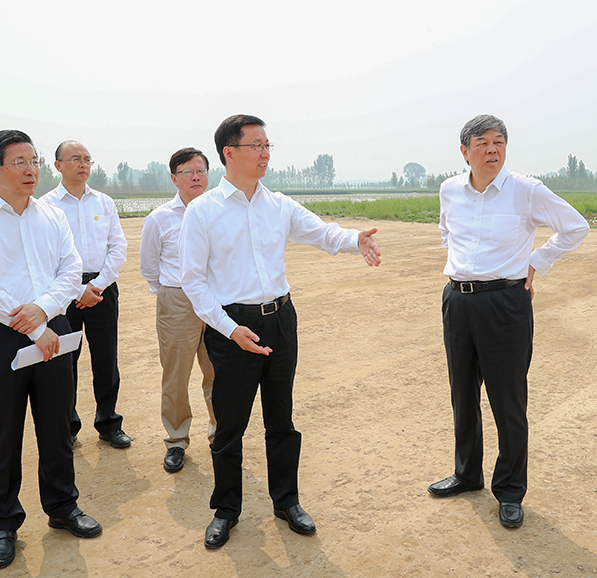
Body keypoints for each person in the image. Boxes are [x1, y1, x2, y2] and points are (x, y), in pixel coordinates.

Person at [180, 114, 382, 549]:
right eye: (256, 145)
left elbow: (322, 233)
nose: (265, 154)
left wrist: (355, 240)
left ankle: (286, 501)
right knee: (230, 425)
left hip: (280, 321)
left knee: (281, 419)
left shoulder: (278, 205)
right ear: (229, 153)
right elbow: (193, 282)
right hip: (233, 329)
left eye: (268, 145)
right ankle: (226, 509)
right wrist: (230, 329)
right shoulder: (203, 212)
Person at [428, 114, 589, 528]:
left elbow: (575, 227)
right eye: (482, 143)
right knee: (462, 394)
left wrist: (537, 261)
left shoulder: (526, 190)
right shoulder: (450, 189)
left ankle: (511, 489)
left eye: (499, 142)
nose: (492, 150)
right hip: (458, 301)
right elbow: (446, 231)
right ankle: (467, 473)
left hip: (505, 303)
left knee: (508, 400)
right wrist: (461, 263)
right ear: (464, 151)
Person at [0, 130, 102, 570]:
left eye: (33, 160)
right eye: (20, 162)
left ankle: (62, 506)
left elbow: (71, 268)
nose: (31, 169)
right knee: (3, 435)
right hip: (0, 336)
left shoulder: (51, 216)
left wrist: (45, 310)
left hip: (53, 326)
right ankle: (3, 524)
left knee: (56, 427)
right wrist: (34, 327)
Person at [41, 140, 130, 449]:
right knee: (65, 361)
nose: (83, 164)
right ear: (58, 165)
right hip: (62, 291)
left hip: (102, 289)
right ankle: (68, 425)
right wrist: (78, 290)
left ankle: (108, 423)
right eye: (75, 158)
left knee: (107, 359)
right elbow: (44, 257)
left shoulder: (104, 202)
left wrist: (98, 285)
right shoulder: (46, 206)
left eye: (87, 159)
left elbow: (117, 247)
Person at [140, 147, 217, 473]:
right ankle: (176, 440)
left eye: (201, 171)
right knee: (176, 375)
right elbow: (149, 266)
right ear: (174, 178)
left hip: (217, 299)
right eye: (188, 172)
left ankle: (220, 433)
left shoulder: (219, 211)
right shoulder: (160, 218)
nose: (196, 177)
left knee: (219, 371)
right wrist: (170, 295)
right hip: (177, 301)